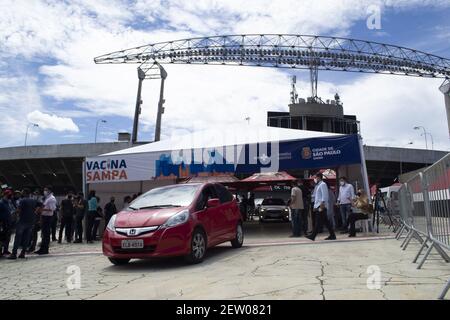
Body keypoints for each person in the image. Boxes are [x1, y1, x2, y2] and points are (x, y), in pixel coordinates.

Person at [7, 188, 37, 259]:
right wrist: (35, 213)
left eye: (22, 192)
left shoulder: (22, 200)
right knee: (27, 238)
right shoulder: (33, 200)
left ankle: (14, 254)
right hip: (31, 221)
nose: (21, 193)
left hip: (22, 221)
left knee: (18, 237)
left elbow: (19, 210)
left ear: (25, 193)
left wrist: (13, 214)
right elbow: (41, 205)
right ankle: (23, 253)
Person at [306, 173, 336, 241]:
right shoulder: (318, 185)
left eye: (316, 177)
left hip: (321, 206)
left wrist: (322, 206)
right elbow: (317, 197)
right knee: (326, 222)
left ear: (319, 177)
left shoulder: (323, 184)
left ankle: (313, 236)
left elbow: (324, 196)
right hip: (318, 205)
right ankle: (332, 235)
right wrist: (315, 206)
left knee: (318, 221)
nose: (315, 179)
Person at [35, 186, 57, 255]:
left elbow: (53, 209)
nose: (44, 191)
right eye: (44, 190)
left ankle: (45, 249)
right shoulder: (47, 198)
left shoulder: (52, 198)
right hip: (44, 217)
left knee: (46, 234)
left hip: (48, 218)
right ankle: (42, 248)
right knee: (43, 234)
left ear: (50, 191)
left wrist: (42, 209)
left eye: (46, 190)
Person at [0, 189, 13, 256]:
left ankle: (5, 250)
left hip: (9, 222)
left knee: (7, 237)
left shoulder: (8, 202)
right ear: (5, 195)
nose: (10, 196)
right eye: (8, 195)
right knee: (2, 237)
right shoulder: (1, 202)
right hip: (3, 222)